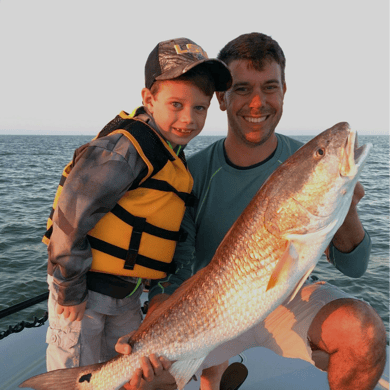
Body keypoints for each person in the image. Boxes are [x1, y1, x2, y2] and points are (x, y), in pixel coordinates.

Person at [116, 33, 387, 390]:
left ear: (284, 92)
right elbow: (176, 270)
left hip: (288, 297)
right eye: (242, 89)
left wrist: (345, 204)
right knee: (145, 383)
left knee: (364, 333)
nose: (257, 103)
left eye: (269, 87)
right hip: (211, 314)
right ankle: (214, 372)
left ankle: (217, 375)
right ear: (222, 99)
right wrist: (152, 332)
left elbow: (354, 267)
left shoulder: (303, 162)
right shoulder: (190, 175)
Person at [43, 37, 232, 371]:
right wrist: (69, 287)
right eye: (176, 104)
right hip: (84, 292)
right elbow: (70, 216)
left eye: (199, 108)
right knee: (76, 375)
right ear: (149, 99)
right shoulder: (126, 149)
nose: (188, 119)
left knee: (123, 372)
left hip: (129, 297)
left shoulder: (175, 159)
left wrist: (159, 288)